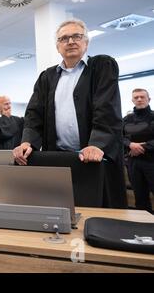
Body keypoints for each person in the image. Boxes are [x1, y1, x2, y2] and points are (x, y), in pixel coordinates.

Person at [13, 19, 127, 208]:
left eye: (76, 36)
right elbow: (34, 114)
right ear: (58, 47)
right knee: (60, 210)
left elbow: (107, 108)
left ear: (86, 42)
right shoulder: (47, 77)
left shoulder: (101, 66)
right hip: (60, 159)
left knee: (98, 215)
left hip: (93, 158)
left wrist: (96, 144)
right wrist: (27, 141)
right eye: (64, 38)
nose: (70, 41)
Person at [123, 88, 154, 213]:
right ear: (132, 100)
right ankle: (144, 226)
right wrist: (130, 144)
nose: (139, 99)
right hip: (133, 163)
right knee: (140, 197)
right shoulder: (126, 119)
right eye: (136, 97)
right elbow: (118, 137)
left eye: (142, 97)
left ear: (149, 99)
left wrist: (140, 147)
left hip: (152, 162)